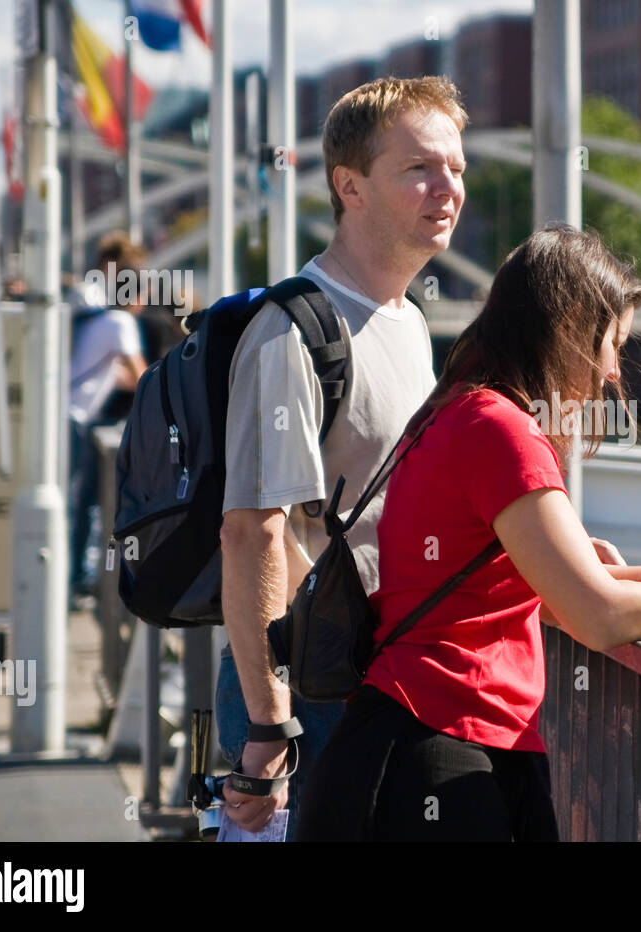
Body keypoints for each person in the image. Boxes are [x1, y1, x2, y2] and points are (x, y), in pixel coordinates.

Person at [296, 225, 641, 842]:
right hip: (439, 751)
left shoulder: (461, 411)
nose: (612, 371)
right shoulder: (501, 432)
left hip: (417, 742)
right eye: (613, 344)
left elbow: (557, 594)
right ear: (571, 329)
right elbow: (596, 615)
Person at [216, 75, 472, 840]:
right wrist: (268, 731)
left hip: (384, 680)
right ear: (349, 185)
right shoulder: (294, 332)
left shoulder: (410, 321)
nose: (448, 188)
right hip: (312, 693)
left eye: (457, 168)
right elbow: (252, 532)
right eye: (421, 168)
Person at [67, 232, 147, 604]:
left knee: (78, 501)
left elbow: (115, 374)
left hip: (66, 414)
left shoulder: (92, 314)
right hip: (77, 420)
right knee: (82, 503)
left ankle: (74, 579)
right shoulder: (120, 325)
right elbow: (144, 380)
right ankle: (77, 581)